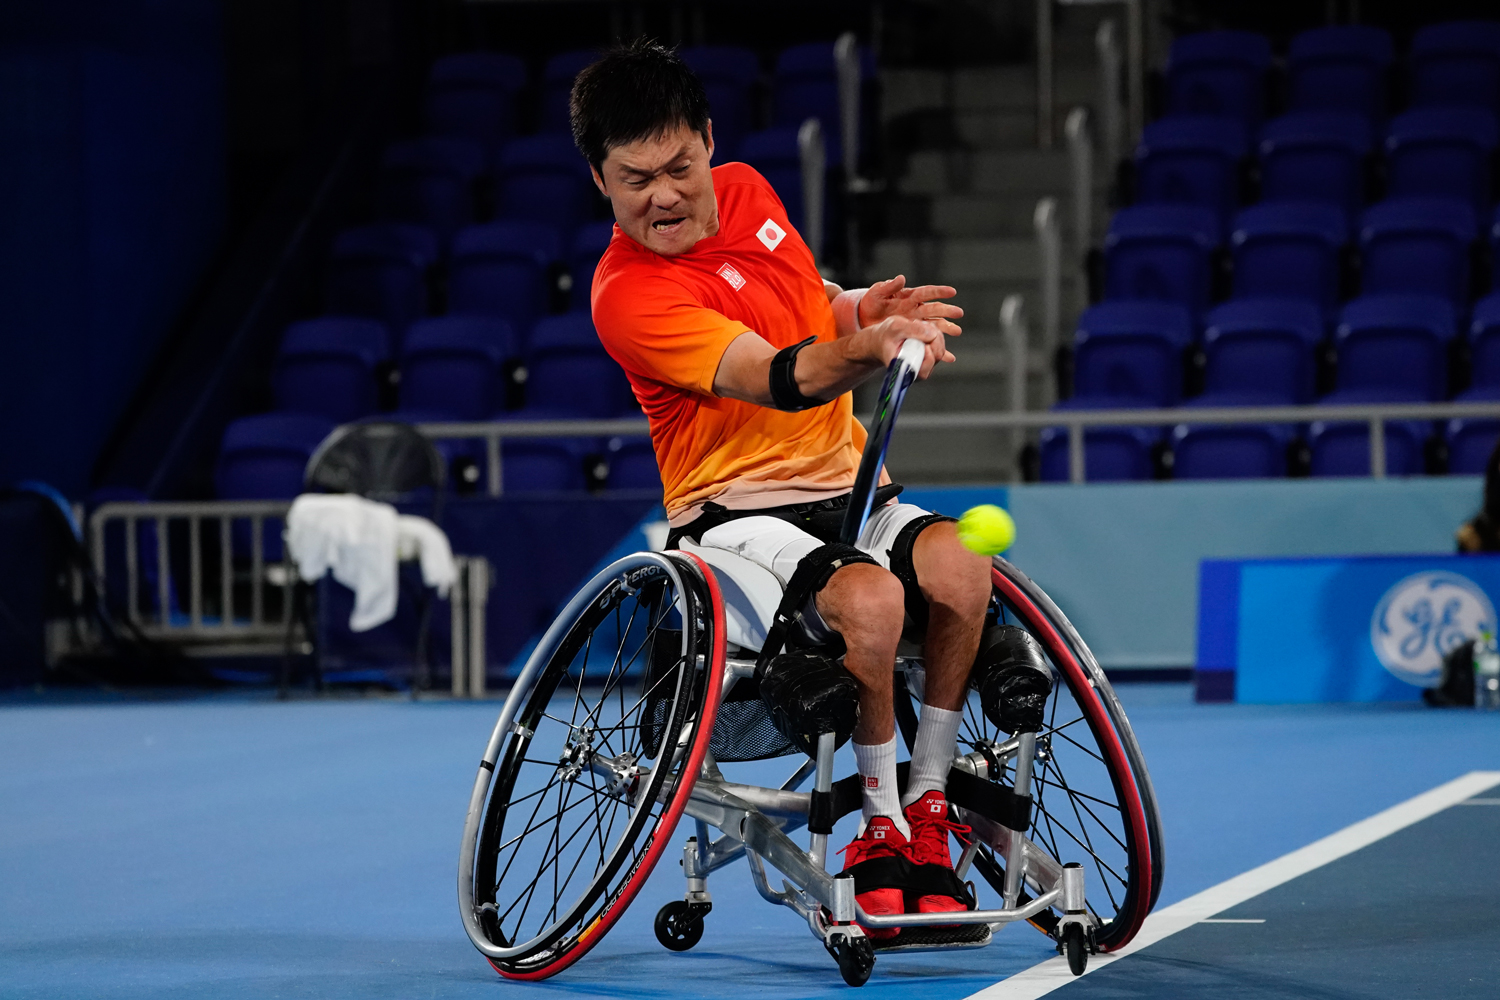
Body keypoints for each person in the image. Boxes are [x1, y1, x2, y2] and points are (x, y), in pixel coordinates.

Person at [571, 40, 993, 936]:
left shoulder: (754, 192)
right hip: (733, 519)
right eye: (635, 178)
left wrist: (856, 313)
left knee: (962, 566)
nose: (666, 194)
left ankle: (927, 803)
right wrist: (860, 352)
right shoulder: (626, 295)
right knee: (870, 602)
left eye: (681, 165)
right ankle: (875, 828)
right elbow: (773, 374)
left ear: (709, 142)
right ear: (600, 181)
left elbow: (804, 303)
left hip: (848, 493)